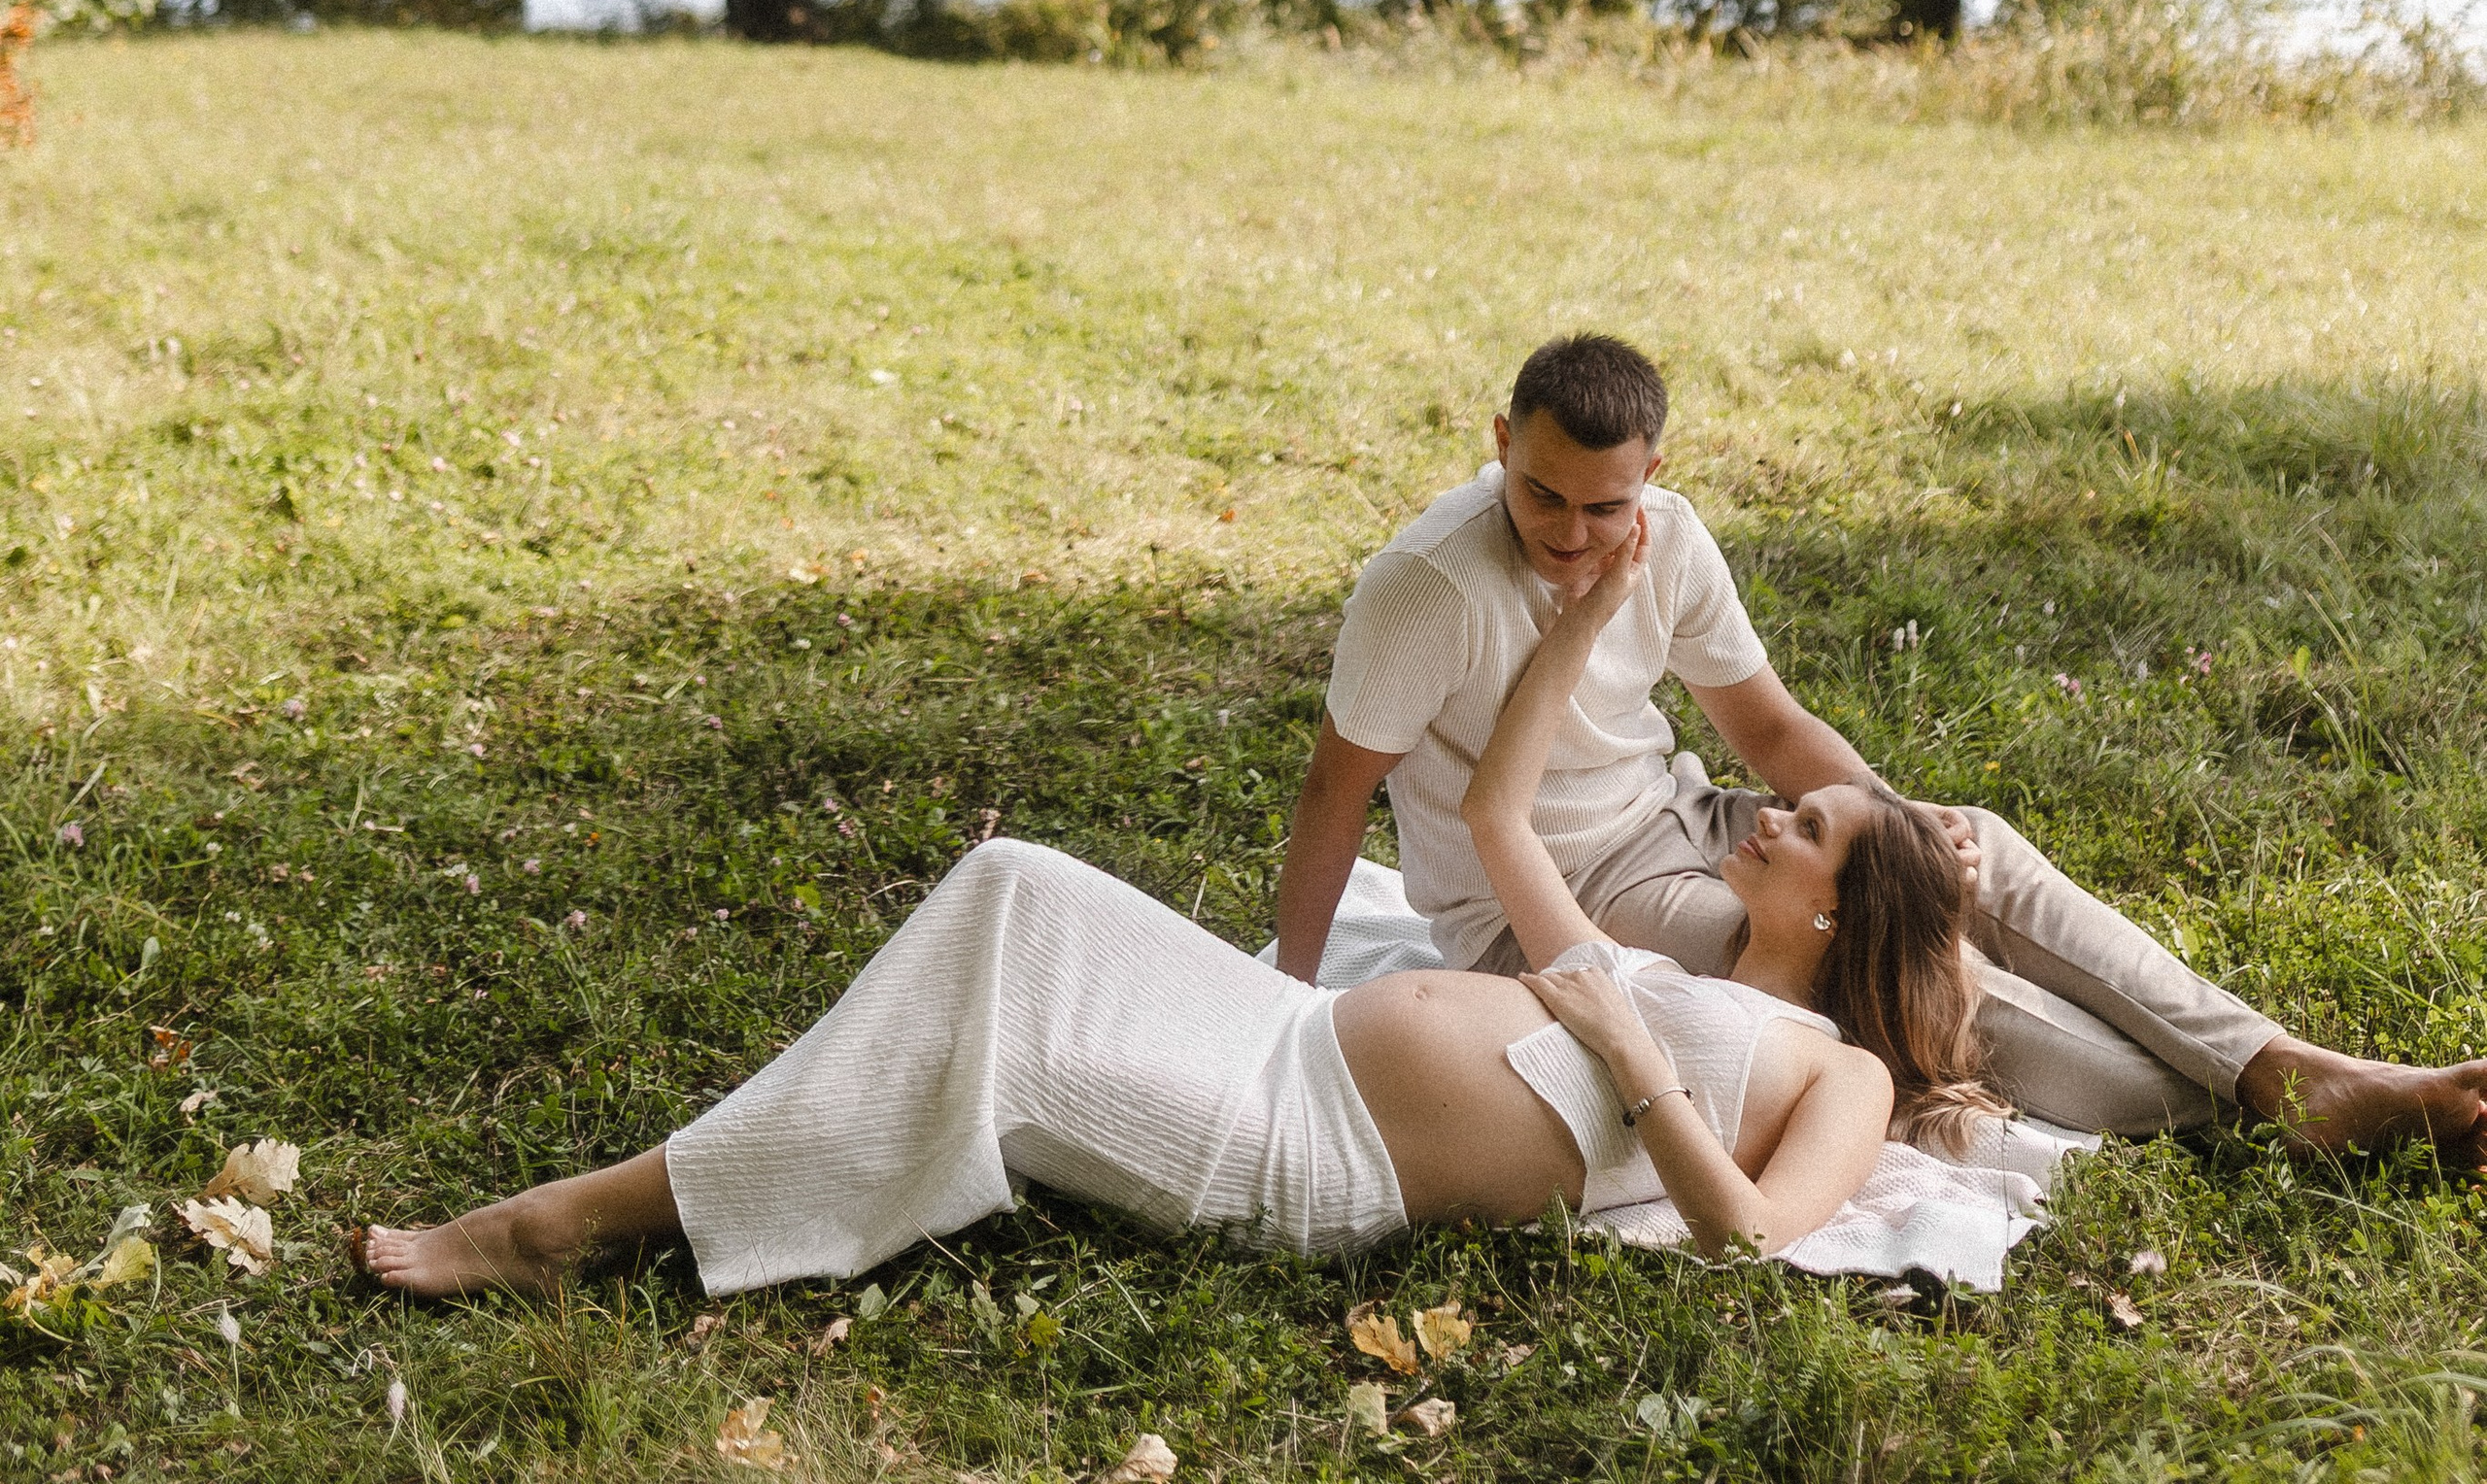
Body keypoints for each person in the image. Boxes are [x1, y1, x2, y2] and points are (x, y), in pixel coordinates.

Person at [356, 532, 1976, 1301]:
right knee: (1010, 887)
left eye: (1810, 825)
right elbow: (1493, 807)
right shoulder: (1657, 951)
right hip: (1284, 1036)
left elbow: (1755, 1242)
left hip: (1312, 1157)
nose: (1772, 807)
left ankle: (571, 1223)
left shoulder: (1841, 1077)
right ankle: (701, 1185)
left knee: (987, 1063)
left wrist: (1638, 1060)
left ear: (1845, 911)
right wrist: (1590, 612)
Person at [1275, 329, 2487, 1161]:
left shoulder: (1672, 537)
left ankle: (2277, 1061)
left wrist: (1903, 832)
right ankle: (2253, 1106)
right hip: (1543, 900)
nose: (1575, 534)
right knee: (1870, 958)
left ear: (1654, 472)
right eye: (1544, 495)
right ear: (1501, 442)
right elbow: (1336, 796)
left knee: (1974, 854)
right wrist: (1275, 996)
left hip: (1682, 817)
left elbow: (1765, 725)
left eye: (1607, 505)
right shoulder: (1423, 587)